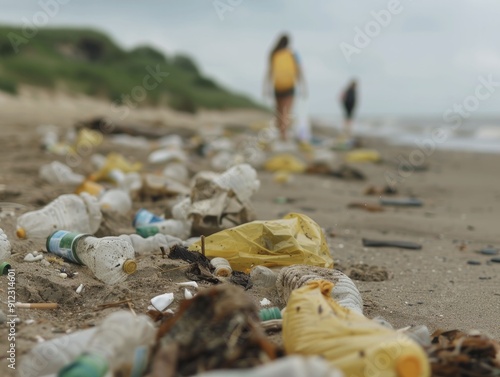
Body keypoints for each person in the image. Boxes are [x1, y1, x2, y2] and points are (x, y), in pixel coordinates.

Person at [264, 33, 306, 141]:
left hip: (278, 86)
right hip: (289, 86)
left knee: (279, 111)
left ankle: (281, 133)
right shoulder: (293, 54)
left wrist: (266, 87)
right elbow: (300, 71)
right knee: (286, 111)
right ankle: (284, 135)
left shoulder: (274, 54)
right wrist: (303, 87)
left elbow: (269, 72)